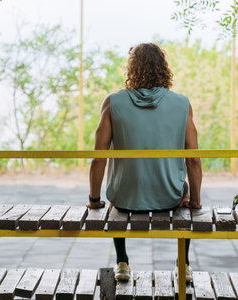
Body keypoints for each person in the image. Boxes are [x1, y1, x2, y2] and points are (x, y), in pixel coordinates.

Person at [86, 43, 202, 282]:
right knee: (186, 196)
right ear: (164, 69)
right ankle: (184, 265)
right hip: (169, 198)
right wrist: (196, 201)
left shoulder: (112, 102)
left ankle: (122, 262)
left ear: (132, 69)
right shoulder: (182, 103)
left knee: (113, 202)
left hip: (125, 198)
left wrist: (94, 199)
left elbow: (99, 159)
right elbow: (193, 160)